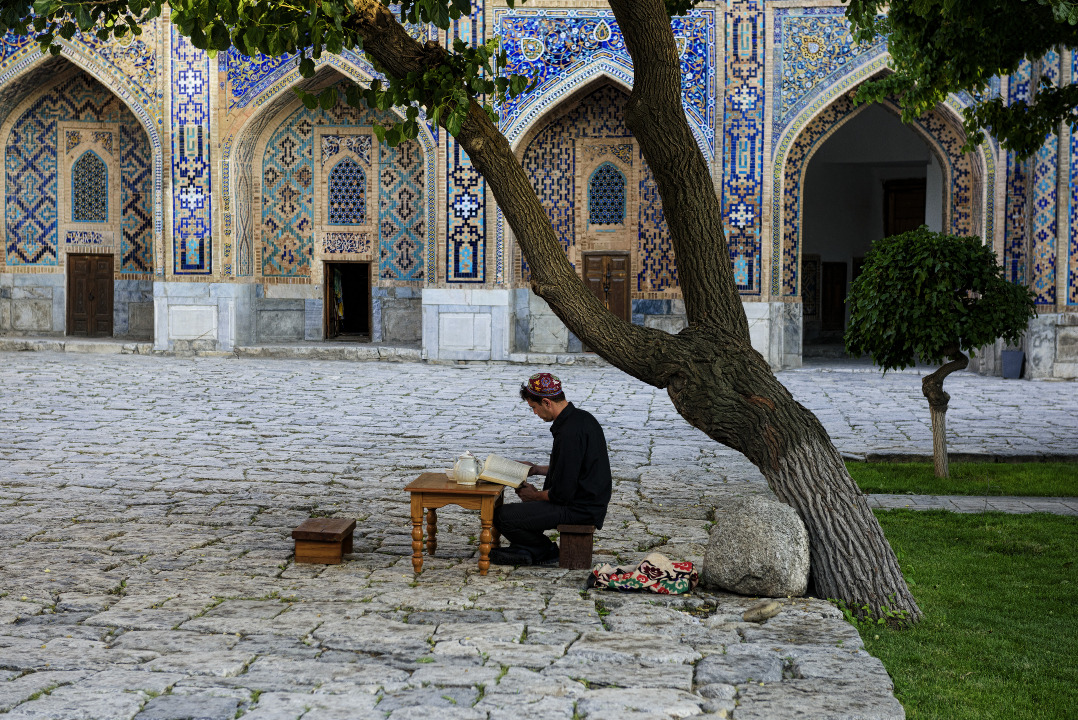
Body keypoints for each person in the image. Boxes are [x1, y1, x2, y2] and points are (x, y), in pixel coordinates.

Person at [490, 373, 612, 566]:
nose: (535, 413)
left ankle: (544, 550)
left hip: (581, 508)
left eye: (534, 407)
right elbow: (572, 468)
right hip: (586, 501)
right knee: (515, 515)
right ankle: (530, 550)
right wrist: (537, 469)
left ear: (546, 402)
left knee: (503, 516)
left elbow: (562, 493)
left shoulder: (569, 432)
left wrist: (535, 496)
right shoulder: (581, 418)